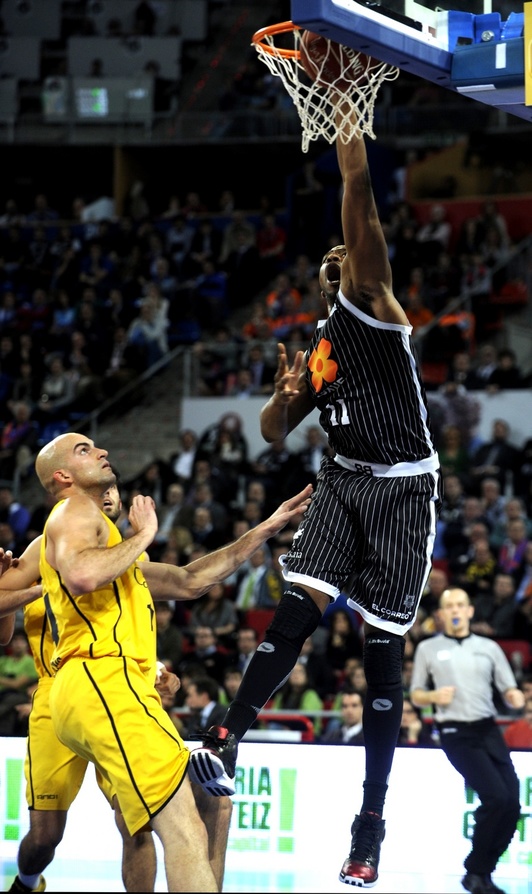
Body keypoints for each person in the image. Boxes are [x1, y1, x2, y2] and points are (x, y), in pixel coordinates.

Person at [188, 99, 442, 888]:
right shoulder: (324, 347)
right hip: (341, 480)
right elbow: (273, 432)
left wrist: (344, 105)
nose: (340, 257)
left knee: (380, 656)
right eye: (331, 258)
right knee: (296, 609)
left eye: (346, 252)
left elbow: (357, 188)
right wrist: (283, 396)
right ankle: (225, 739)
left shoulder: (377, 301)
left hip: (401, 492)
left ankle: (370, 823)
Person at [22, 431, 311, 892]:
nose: (102, 451)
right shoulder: (74, 511)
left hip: (116, 689)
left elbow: (191, 579)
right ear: (62, 476)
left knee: (209, 803)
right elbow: (81, 574)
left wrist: (266, 529)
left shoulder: (119, 556)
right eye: (84, 450)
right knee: (179, 825)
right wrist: (147, 534)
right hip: (100, 682)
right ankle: (27, 880)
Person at [0, 480, 233, 894]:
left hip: (114, 685)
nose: (108, 495)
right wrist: (46, 585)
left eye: (115, 490)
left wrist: (158, 671)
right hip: (58, 690)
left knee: (135, 821)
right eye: (102, 488)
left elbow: (144, 621)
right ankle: (27, 881)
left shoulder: (130, 561)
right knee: (45, 837)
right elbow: (4, 626)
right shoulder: (49, 546)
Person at [410, 587, 525, 894]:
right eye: (449, 606)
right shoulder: (428, 648)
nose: (456, 610)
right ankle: (475, 870)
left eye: (461, 605)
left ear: (470, 611)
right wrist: (433, 696)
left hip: (487, 728)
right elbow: (416, 695)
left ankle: (483, 872)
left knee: (512, 803)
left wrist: (514, 697)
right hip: (455, 732)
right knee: (496, 798)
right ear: (441, 614)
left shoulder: (488, 647)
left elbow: (508, 688)